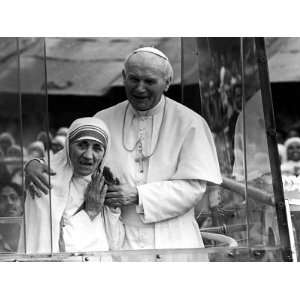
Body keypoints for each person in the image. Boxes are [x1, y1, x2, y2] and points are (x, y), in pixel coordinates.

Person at [25, 47, 222, 261]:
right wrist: (35, 164)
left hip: (175, 240)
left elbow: (194, 188)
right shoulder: (104, 118)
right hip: (119, 239)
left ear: (167, 83)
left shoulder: (190, 123)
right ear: (123, 78)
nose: (140, 88)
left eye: (149, 81)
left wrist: (138, 195)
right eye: (133, 79)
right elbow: (75, 160)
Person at [21, 117, 124, 254]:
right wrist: (90, 212)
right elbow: (49, 248)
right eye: (82, 145)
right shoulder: (45, 181)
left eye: (97, 148)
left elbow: (116, 245)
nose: (88, 155)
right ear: (68, 146)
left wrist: (112, 210)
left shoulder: (103, 182)